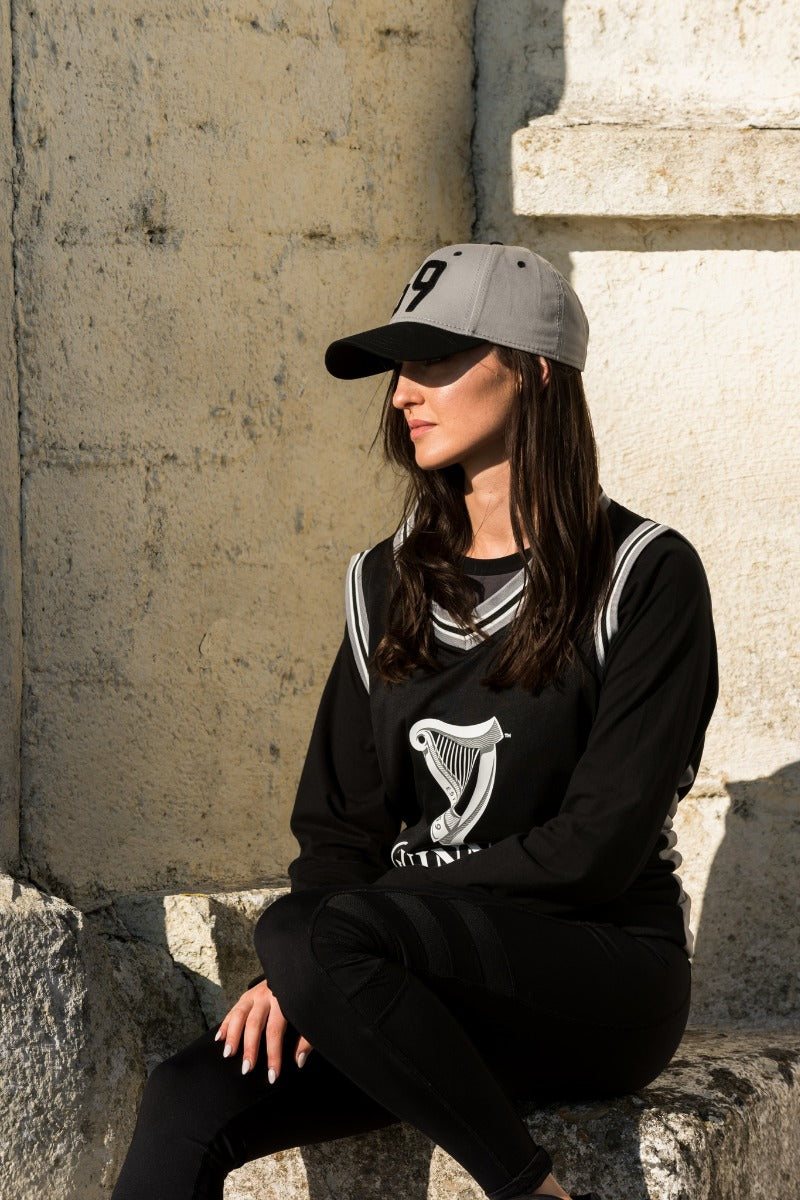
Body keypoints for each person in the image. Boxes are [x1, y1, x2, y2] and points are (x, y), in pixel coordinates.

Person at [111, 243, 718, 1200]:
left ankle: (522, 1188)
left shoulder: (646, 577)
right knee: (186, 1096)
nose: (402, 393)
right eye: (399, 368)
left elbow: (595, 848)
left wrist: (349, 938)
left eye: (435, 360)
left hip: (596, 976)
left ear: (535, 372)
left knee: (309, 934)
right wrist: (324, 964)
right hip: (397, 969)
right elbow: (338, 824)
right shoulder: (382, 581)